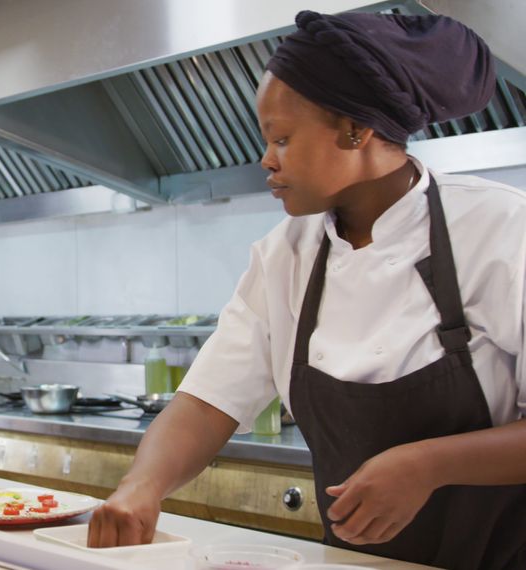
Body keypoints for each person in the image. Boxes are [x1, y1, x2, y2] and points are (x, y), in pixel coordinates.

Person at [88, 9, 526, 569]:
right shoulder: (284, 257)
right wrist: (142, 487)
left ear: (355, 129)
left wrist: (429, 464)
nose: (266, 161)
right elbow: (207, 402)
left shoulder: (499, 230)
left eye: (283, 139)